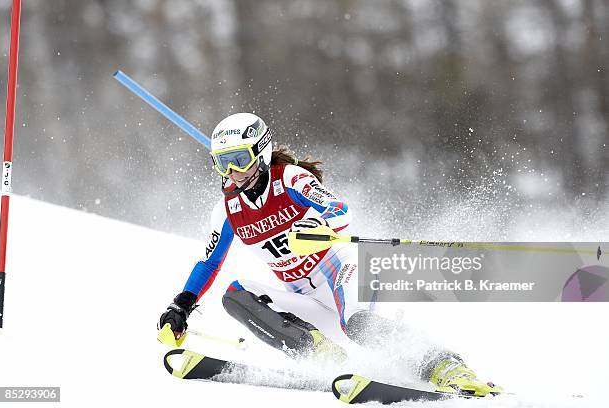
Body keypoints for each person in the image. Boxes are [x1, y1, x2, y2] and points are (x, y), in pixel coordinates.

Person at [158, 113, 501, 396]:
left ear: (260, 154)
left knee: (358, 322)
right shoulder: (228, 210)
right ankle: (321, 356)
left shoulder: (290, 179)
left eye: (240, 160)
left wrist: (319, 228)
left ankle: (445, 366)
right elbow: (209, 262)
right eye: (223, 164)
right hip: (304, 297)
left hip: (341, 272)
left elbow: (340, 210)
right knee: (235, 295)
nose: (232, 173)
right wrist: (181, 306)